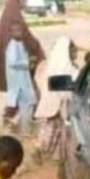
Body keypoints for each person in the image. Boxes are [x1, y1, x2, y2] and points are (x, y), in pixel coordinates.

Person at [32, 36, 79, 164]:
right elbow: (67, 89)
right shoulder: (66, 69)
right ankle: (40, 151)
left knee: (52, 130)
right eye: (74, 51)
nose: (76, 53)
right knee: (50, 130)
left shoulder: (51, 65)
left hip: (51, 104)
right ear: (67, 52)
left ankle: (44, 152)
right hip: (56, 106)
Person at [0, 0, 45, 98]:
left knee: (13, 84)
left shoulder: (5, 16)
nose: (23, 5)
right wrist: (37, 49)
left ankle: (12, 107)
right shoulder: (16, 17)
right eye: (22, 2)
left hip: (6, 58)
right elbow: (27, 37)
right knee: (25, 84)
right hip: (18, 58)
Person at [5, 23, 38, 136]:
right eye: (16, 30)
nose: (18, 32)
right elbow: (13, 63)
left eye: (20, 30)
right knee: (27, 104)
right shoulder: (13, 45)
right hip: (18, 81)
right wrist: (28, 63)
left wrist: (29, 61)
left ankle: (17, 124)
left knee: (29, 103)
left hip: (23, 79)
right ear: (11, 33)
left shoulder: (19, 44)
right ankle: (24, 131)